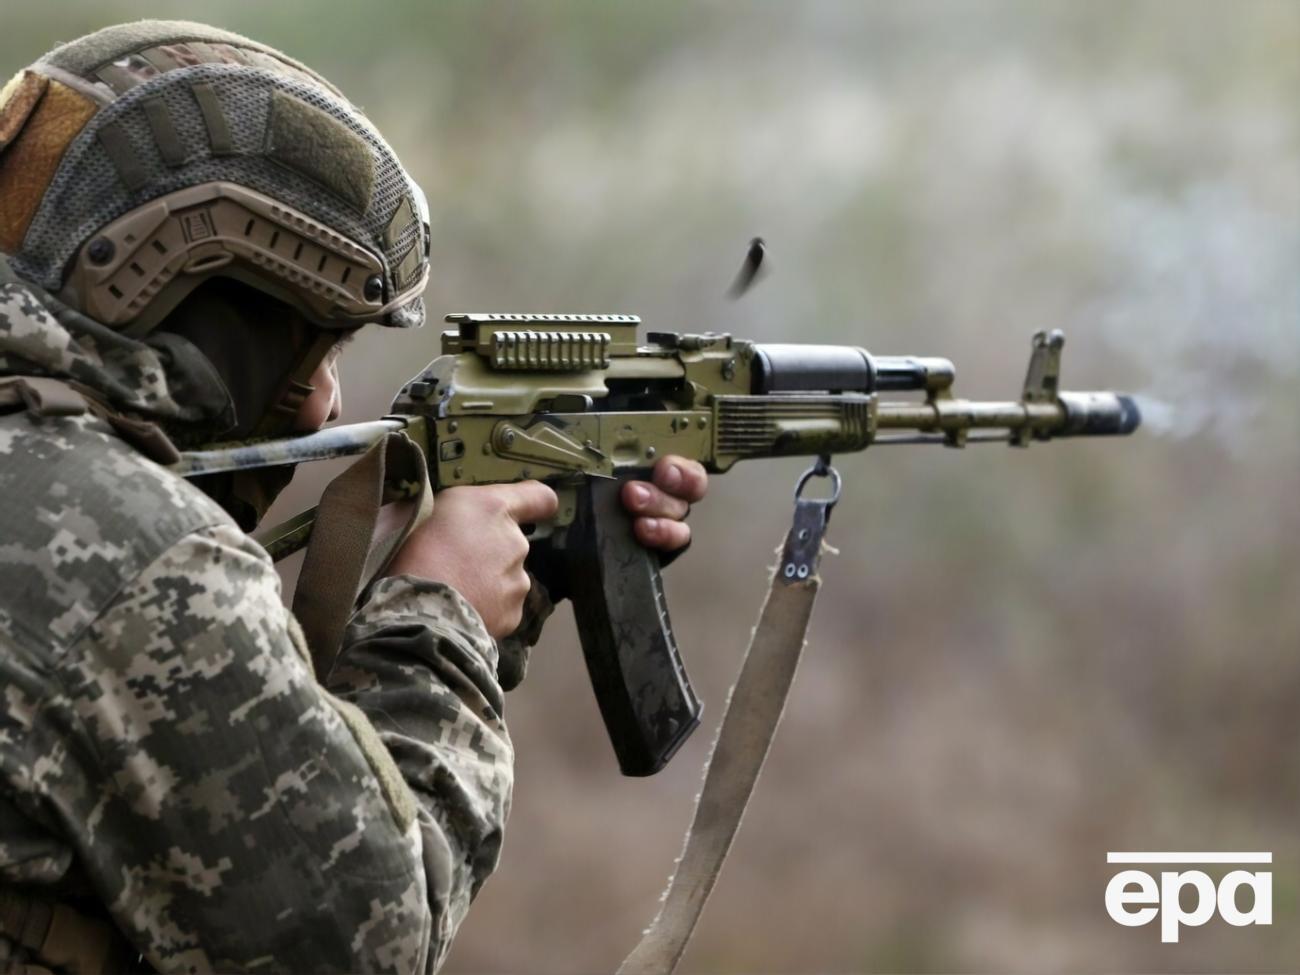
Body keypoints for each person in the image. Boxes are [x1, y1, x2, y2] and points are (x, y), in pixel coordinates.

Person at [0, 21, 706, 973]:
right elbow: (366, 935)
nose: (327, 398)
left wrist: (515, 582)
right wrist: (438, 619)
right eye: (315, 344)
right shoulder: (131, 554)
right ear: (198, 293)